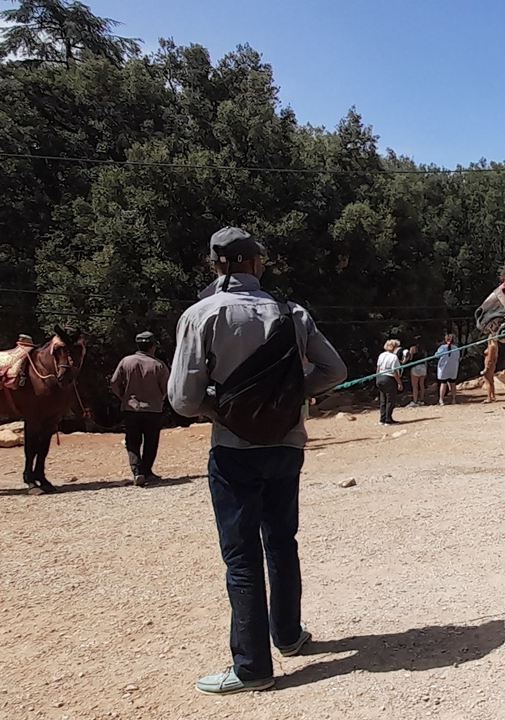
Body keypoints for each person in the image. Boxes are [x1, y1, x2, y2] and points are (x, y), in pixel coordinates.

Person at [169, 227, 347, 695]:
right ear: (256, 263)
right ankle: (288, 635)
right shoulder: (293, 312)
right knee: (282, 542)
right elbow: (335, 371)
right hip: (288, 445)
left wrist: (226, 407)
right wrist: (287, 399)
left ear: (216, 265)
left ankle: (252, 668)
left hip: (233, 448)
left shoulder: (201, 314)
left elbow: (183, 401)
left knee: (242, 556)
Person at [110, 331, 170, 486]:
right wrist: (159, 399)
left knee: (132, 441)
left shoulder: (126, 361)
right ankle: (148, 471)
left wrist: (124, 398)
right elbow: (166, 388)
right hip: (153, 409)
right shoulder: (158, 365)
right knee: (151, 441)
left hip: (131, 408)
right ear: (153, 346)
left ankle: (137, 471)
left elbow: (114, 383)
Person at [376, 339, 402, 425]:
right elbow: (394, 371)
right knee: (390, 399)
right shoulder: (394, 357)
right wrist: (399, 382)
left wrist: (377, 378)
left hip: (380, 377)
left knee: (383, 400)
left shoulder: (381, 355)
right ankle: (388, 419)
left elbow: (378, 368)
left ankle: (382, 419)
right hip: (389, 378)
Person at [435, 333, 459, 405]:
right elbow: (458, 357)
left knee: (443, 383)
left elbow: (436, 355)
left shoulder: (442, 347)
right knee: (453, 384)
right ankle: (454, 399)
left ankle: (441, 400)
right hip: (453, 368)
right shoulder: (456, 348)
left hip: (444, 368)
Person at [406, 343, 426, 407]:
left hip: (415, 367)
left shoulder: (412, 349)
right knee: (422, 384)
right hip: (423, 367)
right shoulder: (423, 350)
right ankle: (421, 400)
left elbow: (410, 358)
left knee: (415, 386)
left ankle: (415, 401)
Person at [482, 338, 498, 404]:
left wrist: (486, 368)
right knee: (491, 381)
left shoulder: (491, 347)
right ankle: (493, 396)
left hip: (489, 365)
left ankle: (489, 398)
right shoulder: (493, 346)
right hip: (491, 365)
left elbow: (489, 358)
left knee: (488, 381)